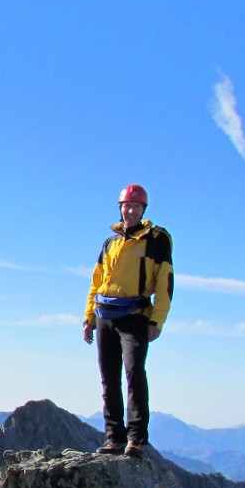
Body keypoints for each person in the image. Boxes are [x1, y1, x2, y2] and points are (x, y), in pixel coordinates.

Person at [82, 184, 174, 459]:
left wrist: (157, 321)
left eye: (136, 206)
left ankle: (136, 438)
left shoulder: (156, 239)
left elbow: (164, 282)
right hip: (105, 316)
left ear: (143, 210)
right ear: (120, 208)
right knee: (109, 380)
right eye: (126, 206)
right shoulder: (110, 243)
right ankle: (114, 438)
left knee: (134, 375)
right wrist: (89, 317)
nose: (130, 210)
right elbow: (96, 282)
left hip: (135, 316)